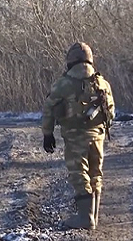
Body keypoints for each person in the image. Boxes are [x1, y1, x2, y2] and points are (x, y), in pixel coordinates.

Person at [41, 42, 115, 230]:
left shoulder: (63, 84)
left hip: (74, 136)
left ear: (70, 62)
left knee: (78, 173)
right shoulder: (102, 83)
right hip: (98, 135)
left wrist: (47, 133)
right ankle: (93, 215)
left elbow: (49, 108)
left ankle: (85, 218)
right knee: (95, 173)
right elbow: (111, 111)